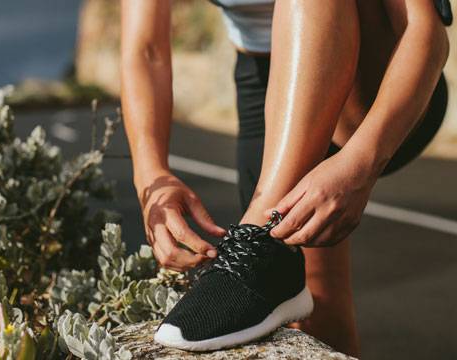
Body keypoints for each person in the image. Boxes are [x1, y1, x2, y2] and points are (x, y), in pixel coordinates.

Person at [120, 0, 450, 356]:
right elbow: (146, 49)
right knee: (314, 308)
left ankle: (259, 240)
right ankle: (266, 251)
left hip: (380, 71)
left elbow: (425, 31)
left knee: (270, 255)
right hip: (262, 75)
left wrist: (360, 162)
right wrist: (150, 176)